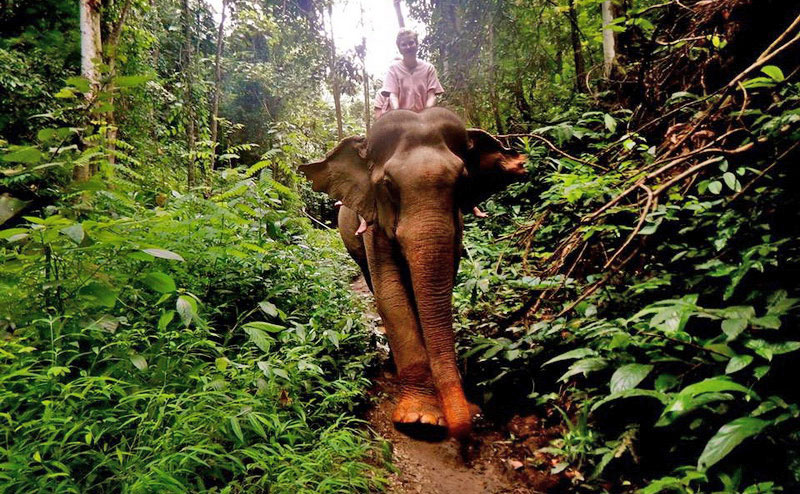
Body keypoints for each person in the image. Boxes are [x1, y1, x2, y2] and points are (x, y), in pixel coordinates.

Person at [381, 29, 444, 112]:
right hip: (401, 116)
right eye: (404, 45)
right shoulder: (393, 69)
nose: (408, 47)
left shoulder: (429, 68)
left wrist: (425, 114)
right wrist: (397, 113)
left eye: (411, 43)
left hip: (424, 116)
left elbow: (431, 96)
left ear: (417, 44)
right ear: (399, 48)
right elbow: (393, 95)